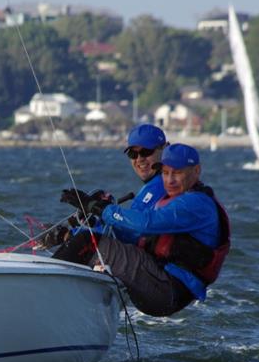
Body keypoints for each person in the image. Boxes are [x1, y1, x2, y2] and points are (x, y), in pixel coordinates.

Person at [88, 143, 230, 317]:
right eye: (165, 172)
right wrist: (94, 220)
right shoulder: (173, 199)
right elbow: (134, 236)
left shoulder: (196, 203)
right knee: (90, 243)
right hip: (161, 284)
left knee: (86, 244)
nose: (169, 180)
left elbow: (145, 223)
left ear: (196, 171)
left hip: (167, 289)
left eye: (177, 173)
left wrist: (105, 210)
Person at [45, 123, 168, 260]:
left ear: (165, 148)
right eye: (133, 154)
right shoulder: (154, 185)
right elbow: (128, 231)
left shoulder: (163, 185)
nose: (139, 159)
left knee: (85, 240)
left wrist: (72, 233)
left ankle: (45, 276)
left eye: (146, 152)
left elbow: (131, 233)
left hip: (158, 270)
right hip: (149, 260)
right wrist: (95, 222)